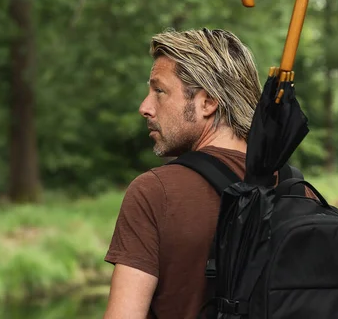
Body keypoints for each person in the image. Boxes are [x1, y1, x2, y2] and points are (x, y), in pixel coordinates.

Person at [102, 28, 262, 319]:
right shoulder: (300, 193)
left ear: (208, 102)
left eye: (159, 91)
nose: (145, 107)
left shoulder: (155, 192)